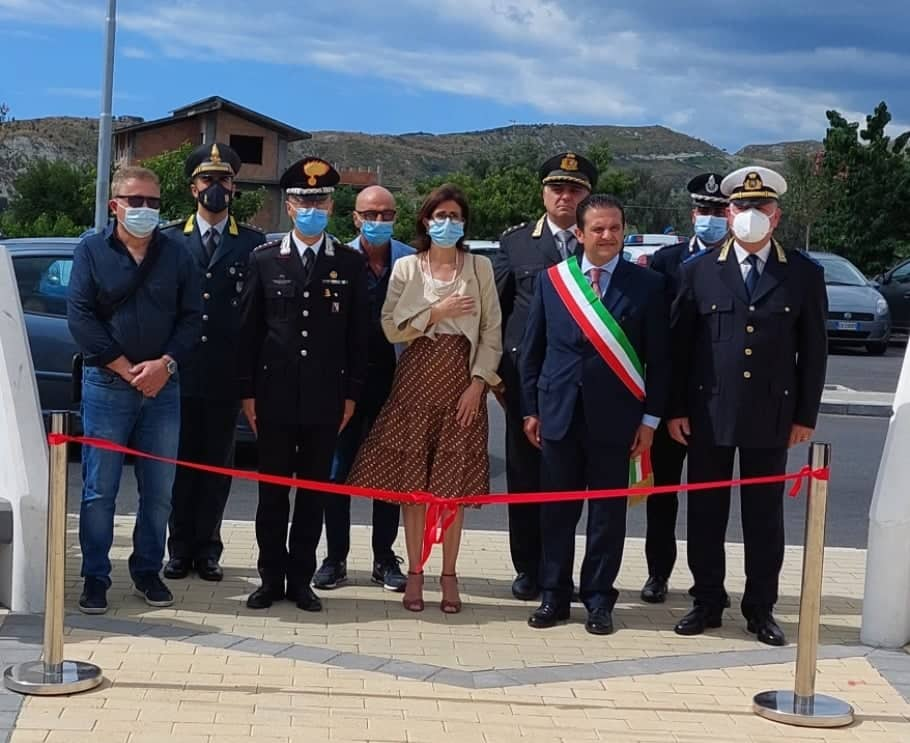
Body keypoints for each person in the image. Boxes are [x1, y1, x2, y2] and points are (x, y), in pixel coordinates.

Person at [668, 166, 827, 646]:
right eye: (741, 207)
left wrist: (804, 416)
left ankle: (760, 608)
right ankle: (707, 601)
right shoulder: (697, 271)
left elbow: (814, 350)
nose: (750, 216)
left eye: (761, 208)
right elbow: (679, 348)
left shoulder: (801, 273)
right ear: (729, 211)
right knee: (705, 511)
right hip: (707, 412)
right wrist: (676, 408)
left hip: (771, 415)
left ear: (776, 216)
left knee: (763, 516)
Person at [346, 184, 502, 614]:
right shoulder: (407, 269)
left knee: (450, 491)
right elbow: (392, 327)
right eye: (439, 216)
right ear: (425, 221)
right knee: (415, 490)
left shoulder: (480, 267)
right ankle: (414, 572)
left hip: (462, 381)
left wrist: (478, 385)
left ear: (464, 222)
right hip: (415, 379)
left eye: (455, 216)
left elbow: (492, 332)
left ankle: (448, 575)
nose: (447, 224)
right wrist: (436, 312)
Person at [521, 194, 670, 635]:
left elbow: (659, 361)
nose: (608, 237)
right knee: (556, 512)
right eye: (599, 229)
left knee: (608, 516)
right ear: (581, 234)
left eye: (615, 229)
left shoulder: (649, 285)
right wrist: (531, 409)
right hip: (558, 415)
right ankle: (553, 595)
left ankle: (599, 600)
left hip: (618, 421)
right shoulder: (554, 281)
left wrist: (650, 422)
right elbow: (533, 351)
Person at [67, 166, 202, 614]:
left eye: (153, 203)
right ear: (115, 205)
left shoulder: (178, 252)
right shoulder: (90, 249)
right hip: (107, 385)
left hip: (164, 388)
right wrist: (128, 371)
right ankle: (95, 577)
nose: (145, 210)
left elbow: (192, 318)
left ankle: (148, 571)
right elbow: (81, 319)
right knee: (99, 489)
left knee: (159, 490)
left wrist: (163, 365)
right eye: (135, 201)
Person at [237, 157, 369, 612]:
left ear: (331, 206)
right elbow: (249, 331)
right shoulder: (264, 259)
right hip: (273, 397)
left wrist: (350, 394)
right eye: (302, 201)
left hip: (325, 397)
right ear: (289, 207)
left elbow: (358, 336)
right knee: (273, 493)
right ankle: (269, 578)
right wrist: (248, 393)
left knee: (313, 493)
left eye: (320, 201)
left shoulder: (349, 264)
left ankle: (301, 580)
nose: (311, 207)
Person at [493, 152, 598, 601]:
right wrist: (499, 379)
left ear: (587, 196)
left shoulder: (599, 241)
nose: (565, 196)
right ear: (543, 192)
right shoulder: (516, 244)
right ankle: (528, 568)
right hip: (525, 383)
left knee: (571, 484)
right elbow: (495, 317)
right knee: (525, 478)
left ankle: (561, 571)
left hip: (582, 386)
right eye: (557, 188)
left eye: (575, 189)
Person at [160, 142, 264, 583]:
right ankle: (178, 549)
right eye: (207, 180)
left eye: (224, 180)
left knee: (218, 467)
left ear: (234, 188)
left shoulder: (255, 244)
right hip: (178, 373)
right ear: (192, 188)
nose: (215, 188)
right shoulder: (168, 240)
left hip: (225, 376)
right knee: (178, 466)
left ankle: (209, 550)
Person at [312, 185, 414, 593]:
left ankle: (384, 558)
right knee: (336, 474)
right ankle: (335, 557)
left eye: (386, 214)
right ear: (354, 217)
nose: (378, 221)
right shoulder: (336, 258)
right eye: (370, 214)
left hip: (396, 381)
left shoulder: (411, 260)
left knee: (387, 476)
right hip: (343, 384)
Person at [640, 173, 730, 604]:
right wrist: (663, 404)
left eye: (718, 212)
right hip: (669, 398)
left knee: (710, 500)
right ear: (692, 214)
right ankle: (658, 573)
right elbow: (659, 339)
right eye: (703, 211)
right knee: (662, 495)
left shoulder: (737, 262)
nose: (710, 219)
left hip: (715, 401)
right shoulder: (665, 262)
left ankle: (708, 582)